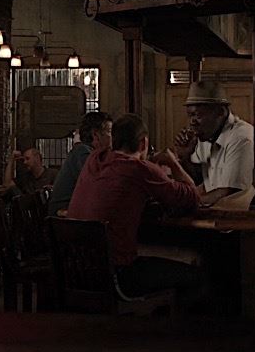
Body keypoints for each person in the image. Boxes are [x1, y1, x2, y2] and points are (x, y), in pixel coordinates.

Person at [67, 113, 202, 299]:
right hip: (117, 277)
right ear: (143, 143)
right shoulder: (139, 169)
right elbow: (193, 197)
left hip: (78, 273)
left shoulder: (94, 159)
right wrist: (172, 162)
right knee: (196, 274)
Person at [173, 81, 255, 210]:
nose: (192, 122)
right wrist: (185, 157)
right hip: (235, 213)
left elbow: (229, 193)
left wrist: (189, 202)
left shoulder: (242, 138)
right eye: (190, 115)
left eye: (197, 115)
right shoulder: (207, 134)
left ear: (220, 112)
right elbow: (202, 182)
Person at [47, 111, 112, 216]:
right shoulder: (82, 152)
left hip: (73, 210)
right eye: (109, 131)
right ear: (95, 134)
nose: (112, 137)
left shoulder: (88, 152)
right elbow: (98, 185)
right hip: (62, 214)